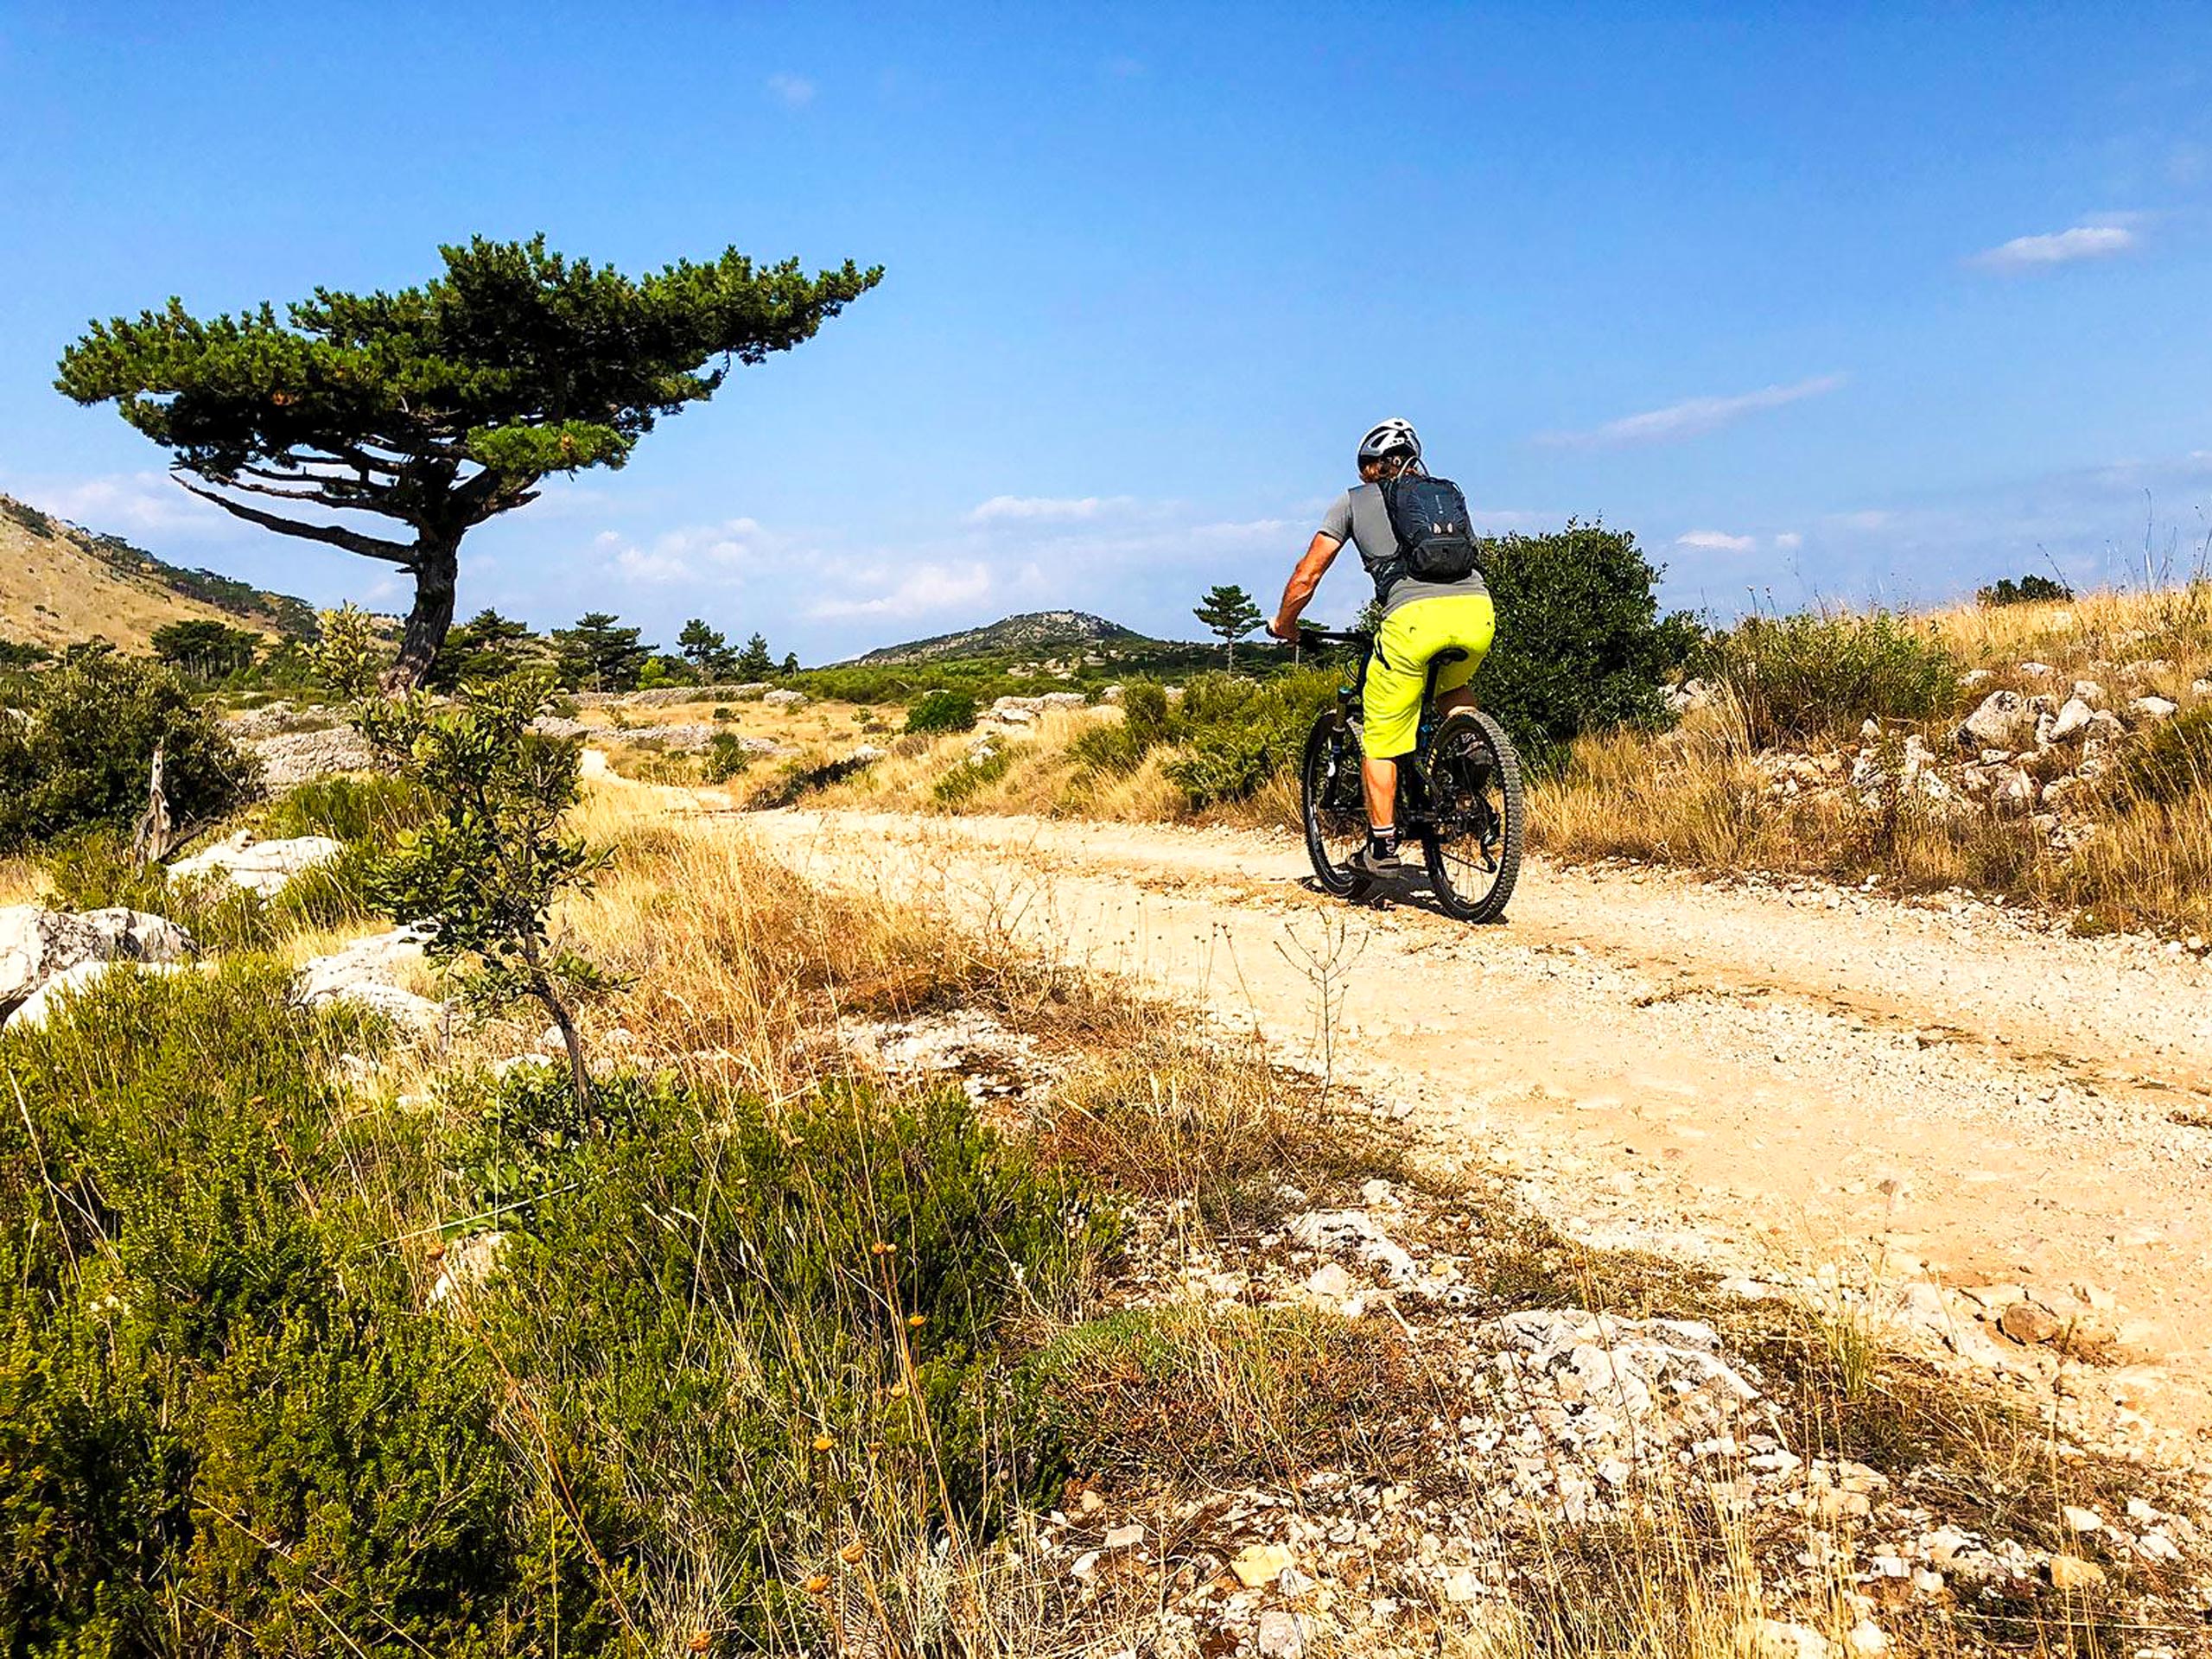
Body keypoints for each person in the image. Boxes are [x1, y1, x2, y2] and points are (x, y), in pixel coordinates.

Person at [1267, 418, 1496, 878]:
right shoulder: (1440, 498)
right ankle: (1472, 744)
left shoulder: (1351, 502)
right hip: (1477, 613)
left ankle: (1382, 848)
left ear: (1368, 467)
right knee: (1452, 689)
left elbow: (1307, 574)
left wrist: (1285, 624)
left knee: (1382, 736)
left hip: (1412, 622)